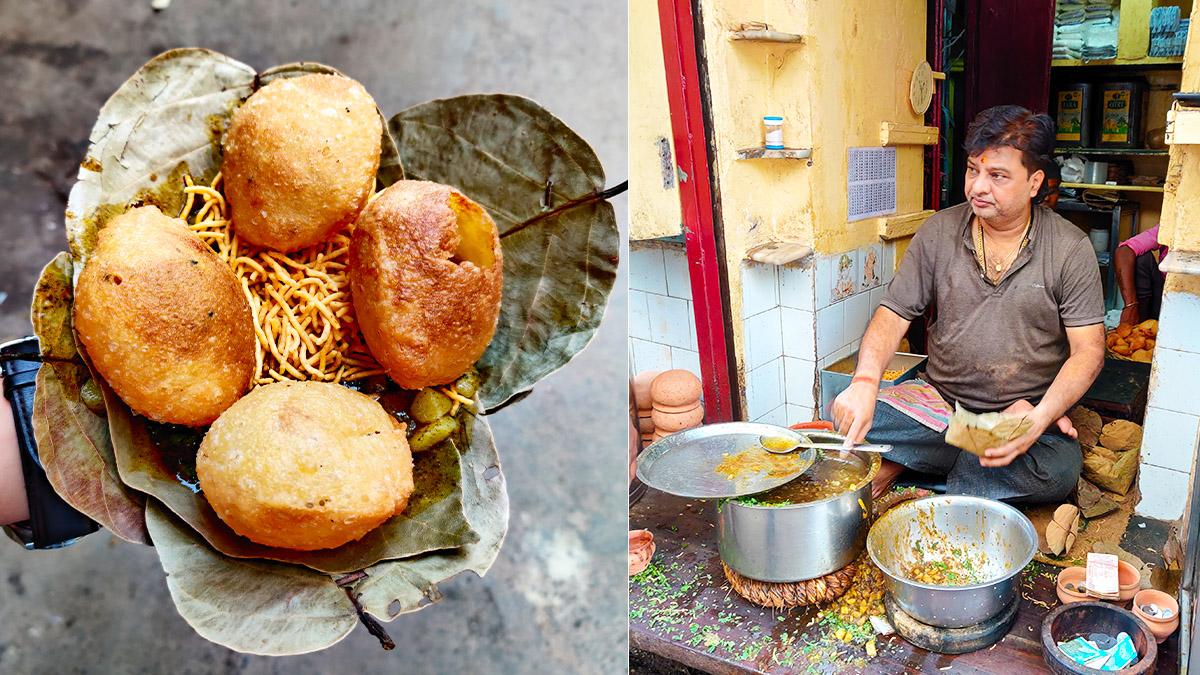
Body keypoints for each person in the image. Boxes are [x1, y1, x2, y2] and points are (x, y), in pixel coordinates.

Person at [832, 105, 1106, 503]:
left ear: (1034, 183)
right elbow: (895, 313)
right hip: (940, 405)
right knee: (849, 414)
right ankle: (963, 466)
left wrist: (1041, 416)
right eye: (973, 170)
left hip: (1022, 415)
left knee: (1057, 470)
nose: (978, 186)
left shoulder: (1069, 248)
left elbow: (1089, 352)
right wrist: (864, 383)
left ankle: (922, 464)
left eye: (997, 176)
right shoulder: (939, 232)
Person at [1115, 225, 1166, 326]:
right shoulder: (1172, 226)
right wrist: (1131, 305)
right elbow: (1125, 251)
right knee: (1141, 259)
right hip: (1163, 296)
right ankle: (1138, 325)